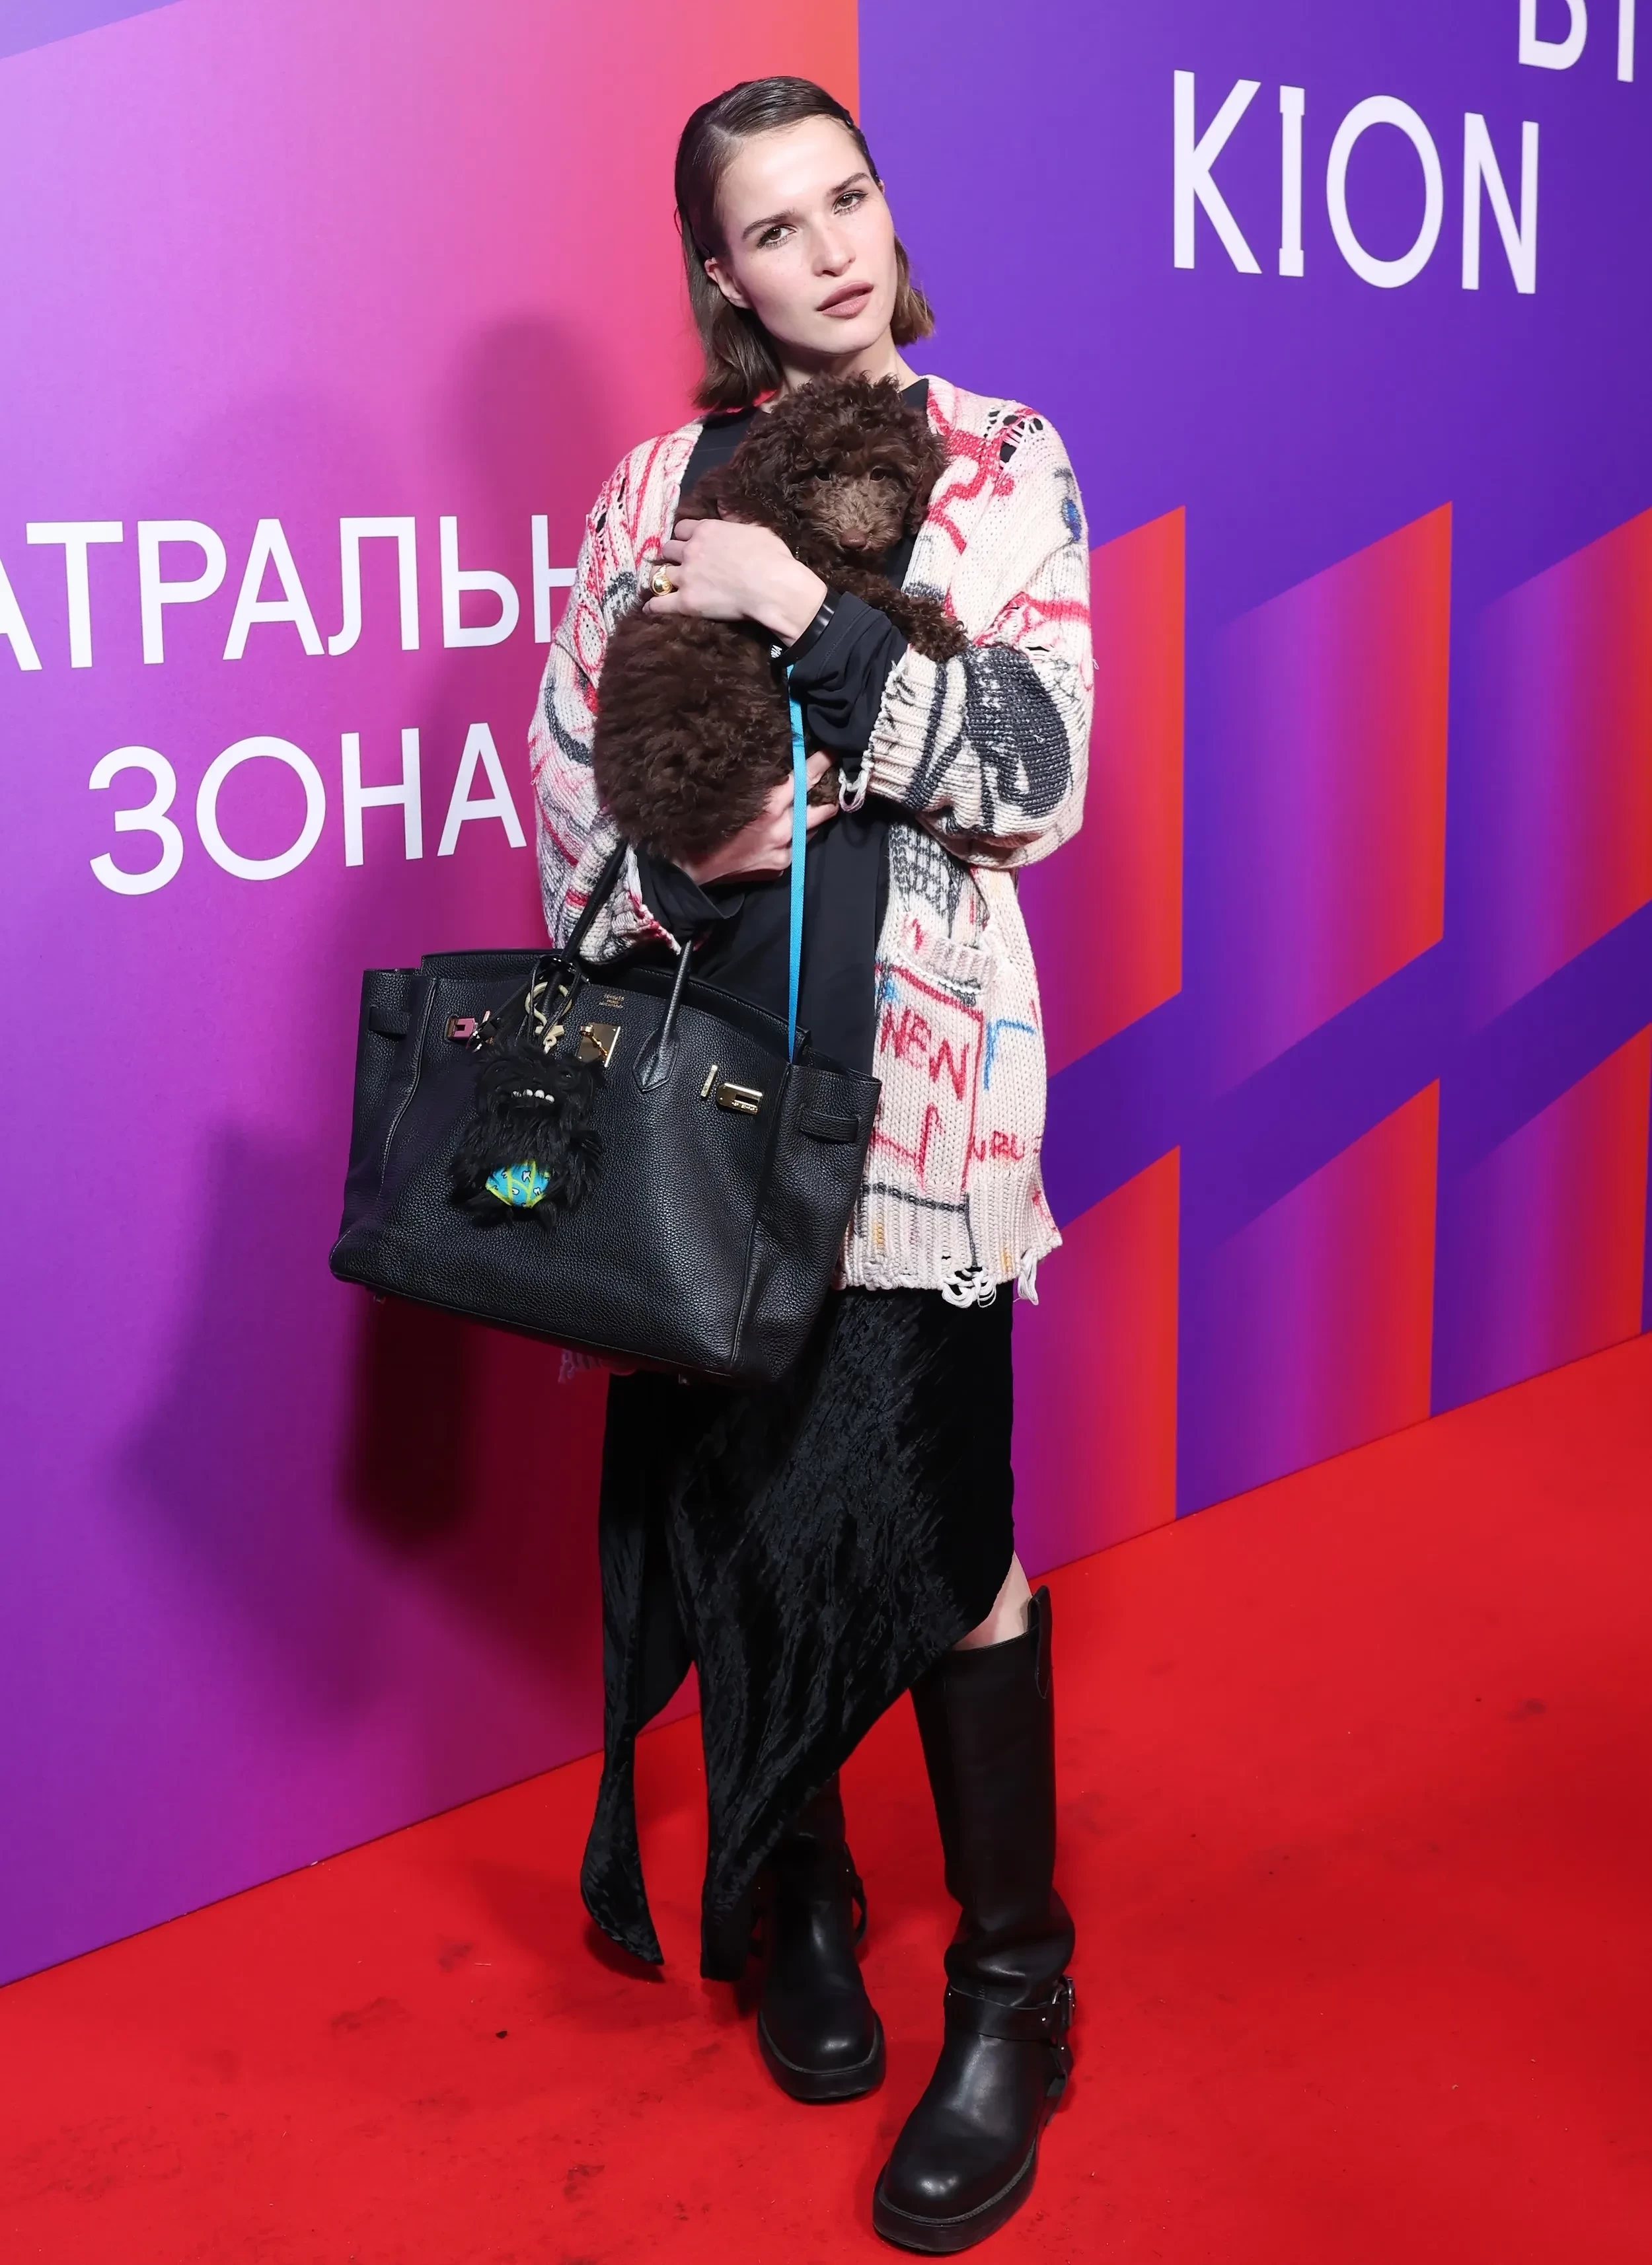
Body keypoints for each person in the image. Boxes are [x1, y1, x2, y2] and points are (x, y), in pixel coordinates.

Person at [529, 75, 1093, 2254]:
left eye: (846, 198)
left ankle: (1014, 1990)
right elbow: (567, 772)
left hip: (926, 1113)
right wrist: (684, 858)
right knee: (751, 1508)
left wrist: (814, 618)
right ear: (723, 276)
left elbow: (1035, 772)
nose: (831, 249)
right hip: (709, 1101)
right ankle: (805, 1892)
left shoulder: (1003, 457)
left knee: (945, 1536)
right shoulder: (647, 486)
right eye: (775, 228)